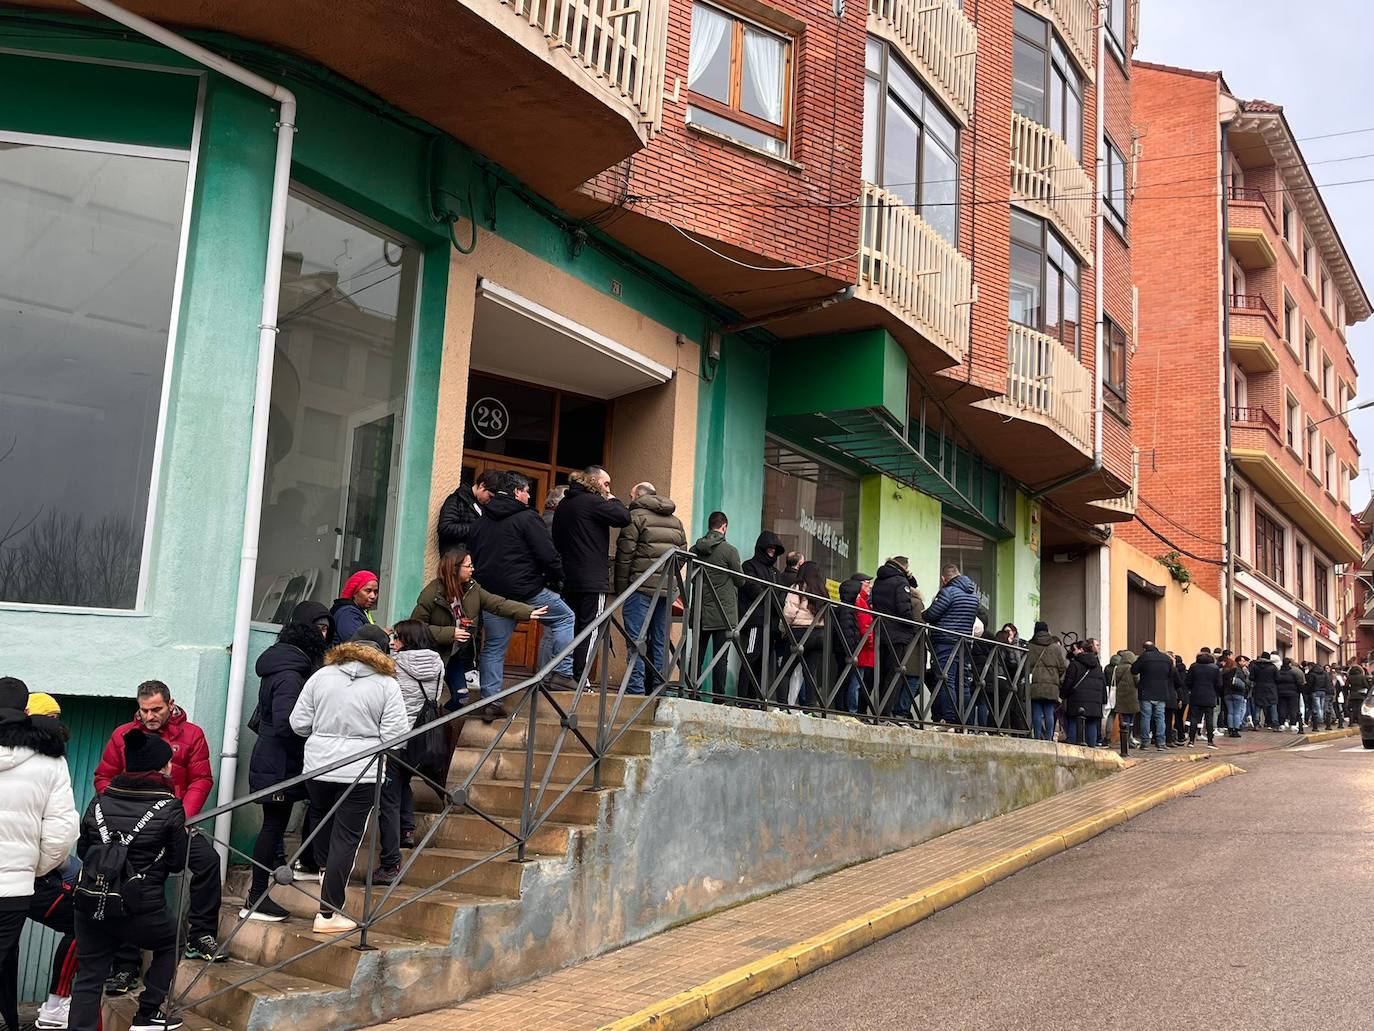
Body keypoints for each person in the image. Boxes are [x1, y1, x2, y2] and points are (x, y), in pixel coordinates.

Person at [93, 681, 222, 977]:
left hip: (174, 822)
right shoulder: (123, 735)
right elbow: (104, 777)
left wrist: (182, 817)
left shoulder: (192, 735)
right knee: (129, 881)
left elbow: (201, 779)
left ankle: (200, 935)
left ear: (171, 704)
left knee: (208, 862)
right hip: (134, 829)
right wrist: (119, 812)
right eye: (144, 710)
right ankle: (126, 965)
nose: (150, 716)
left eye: (157, 709)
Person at [290, 625, 409, 934]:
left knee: (320, 818)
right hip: (361, 771)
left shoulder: (321, 675)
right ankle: (328, 913)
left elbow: (298, 723)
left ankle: (324, 877)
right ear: (383, 651)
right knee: (346, 838)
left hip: (318, 767)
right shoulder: (386, 684)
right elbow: (395, 738)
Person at [70, 727, 187, 1031]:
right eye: (168, 762)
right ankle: (148, 1013)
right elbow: (176, 862)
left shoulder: (99, 802)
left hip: (92, 904)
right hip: (140, 909)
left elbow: (84, 851)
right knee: (176, 939)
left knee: (90, 975)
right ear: (161, 768)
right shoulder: (170, 808)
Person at [243, 601, 332, 920]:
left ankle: (306, 863)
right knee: (273, 825)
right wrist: (314, 740)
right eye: (319, 628)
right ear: (306, 631)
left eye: (327, 628)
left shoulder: (286, 663)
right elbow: (286, 723)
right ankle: (254, 899)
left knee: (303, 809)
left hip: (279, 759)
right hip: (280, 762)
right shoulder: (292, 673)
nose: (324, 634)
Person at [0, 678, 79, 1031]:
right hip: (14, 889)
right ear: (24, 711)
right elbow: (62, 833)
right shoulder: (50, 761)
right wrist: (30, 867)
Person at [469, 472, 576, 718]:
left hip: (493, 595)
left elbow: (472, 555)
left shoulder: (481, 521)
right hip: (528, 590)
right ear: (517, 492)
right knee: (564, 618)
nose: (529, 496)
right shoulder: (528, 518)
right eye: (527, 491)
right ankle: (561, 673)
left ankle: (491, 702)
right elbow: (547, 555)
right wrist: (560, 577)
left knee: (494, 647)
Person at [410, 549, 545, 718]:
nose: (472, 569)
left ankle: (440, 723)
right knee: (427, 701)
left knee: (462, 697)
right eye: (468, 566)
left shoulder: (473, 588)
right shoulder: (431, 594)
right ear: (454, 569)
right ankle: (430, 728)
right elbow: (415, 628)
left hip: (453, 656)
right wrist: (451, 633)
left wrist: (527, 612)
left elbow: (497, 603)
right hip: (431, 656)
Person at [376, 620, 446, 884]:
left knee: (388, 799)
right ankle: (407, 830)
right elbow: (435, 696)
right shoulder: (438, 663)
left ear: (407, 639)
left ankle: (390, 862)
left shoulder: (393, 664)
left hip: (396, 737)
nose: (393, 642)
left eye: (397, 638)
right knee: (404, 781)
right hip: (422, 736)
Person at [552, 466, 631, 681]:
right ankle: (581, 679)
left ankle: (562, 673)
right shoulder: (593, 501)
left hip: (568, 577)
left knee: (569, 626)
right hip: (592, 579)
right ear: (594, 481)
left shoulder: (564, 504)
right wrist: (612, 499)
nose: (608, 489)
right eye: (606, 484)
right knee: (590, 629)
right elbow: (624, 517)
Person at [614, 482, 687, 696]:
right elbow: (682, 555)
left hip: (640, 589)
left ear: (638, 495)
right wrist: (668, 576)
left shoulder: (635, 517)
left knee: (636, 641)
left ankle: (635, 690)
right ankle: (661, 689)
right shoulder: (676, 521)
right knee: (661, 642)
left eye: (631, 495)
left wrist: (622, 589)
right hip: (666, 591)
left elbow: (625, 555)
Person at [690, 512, 743, 700]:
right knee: (720, 658)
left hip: (700, 611)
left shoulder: (695, 549)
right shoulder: (729, 551)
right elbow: (740, 581)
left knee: (697, 654)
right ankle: (718, 698)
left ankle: (692, 693)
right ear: (724, 527)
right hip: (723, 613)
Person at [869, 557, 925, 720]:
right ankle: (886, 713)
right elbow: (903, 608)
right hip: (899, 633)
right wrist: (911, 624)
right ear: (905, 568)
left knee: (884, 672)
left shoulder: (880, 580)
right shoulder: (900, 581)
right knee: (895, 673)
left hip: (882, 631)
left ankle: (879, 711)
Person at [924, 564, 981, 723]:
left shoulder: (947, 592)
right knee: (962, 682)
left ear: (944, 579)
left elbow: (931, 615)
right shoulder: (973, 596)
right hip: (964, 644)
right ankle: (965, 722)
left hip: (945, 641)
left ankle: (949, 720)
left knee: (946, 679)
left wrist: (923, 613)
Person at [737, 531, 785, 705]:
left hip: (770, 624)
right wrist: (774, 600)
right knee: (751, 657)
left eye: (774, 549)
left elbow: (780, 595)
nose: (772, 551)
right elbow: (753, 590)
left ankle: (755, 699)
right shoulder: (749, 566)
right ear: (762, 547)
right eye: (769, 548)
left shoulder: (776, 573)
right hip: (755, 622)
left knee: (763, 662)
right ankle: (743, 698)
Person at [781, 562, 828, 710]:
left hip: (800, 633)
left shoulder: (798, 587)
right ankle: (810, 708)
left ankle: (781, 705)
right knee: (811, 672)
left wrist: (783, 629)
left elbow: (789, 612)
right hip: (819, 633)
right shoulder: (823, 590)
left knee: (785, 670)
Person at [436, 469, 499, 556]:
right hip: (456, 560)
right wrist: (476, 528)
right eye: (490, 496)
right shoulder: (457, 500)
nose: (490, 501)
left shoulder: (484, 507)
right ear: (482, 485)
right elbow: (445, 528)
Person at [836, 572, 874, 715]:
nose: (869, 586)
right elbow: (864, 625)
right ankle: (851, 711)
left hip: (857, 647)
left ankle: (850, 710)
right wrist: (867, 643)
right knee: (854, 682)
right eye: (866, 583)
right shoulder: (859, 603)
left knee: (853, 681)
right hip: (858, 648)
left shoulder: (861, 601)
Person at [1026, 622, 1068, 741]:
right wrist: (1055, 678)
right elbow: (1062, 667)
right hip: (1051, 686)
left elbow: (1025, 665)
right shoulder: (1055, 647)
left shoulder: (1030, 646)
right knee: (1049, 711)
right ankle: (1049, 738)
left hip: (1035, 683)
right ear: (1047, 630)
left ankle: (1037, 737)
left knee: (1037, 712)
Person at [1060, 639, 1107, 746]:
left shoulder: (1075, 664)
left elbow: (1068, 682)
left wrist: (1062, 695)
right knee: (1091, 725)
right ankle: (1091, 752)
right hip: (1095, 702)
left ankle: (1072, 753)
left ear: (1082, 650)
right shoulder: (1098, 666)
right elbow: (1103, 684)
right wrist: (1103, 699)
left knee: (1074, 724)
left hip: (1077, 701)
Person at [1131, 643, 1173, 751]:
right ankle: (1161, 743)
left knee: (1146, 717)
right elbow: (1171, 674)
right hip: (1161, 692)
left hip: (1146, 691)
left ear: (1145, 649)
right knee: (1160, 717)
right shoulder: (1166, 658)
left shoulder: (1144, 657)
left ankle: (1145, 743)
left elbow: (1134, 670)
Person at [331, 569, 381, 645]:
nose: (373, 596)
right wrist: (382, 636)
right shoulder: (347, 613)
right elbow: (357, 645)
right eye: (368, 591)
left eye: (376, 592)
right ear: (355, 592)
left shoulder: (360, 611)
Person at [1186, 648, 1221, 748]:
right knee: (1209, 719)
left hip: (1195, 695)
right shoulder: (1214, 668)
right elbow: (1219, 684)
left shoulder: (1194, 667)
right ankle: (1210, 741)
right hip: (1210, 696)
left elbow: (1188, 681)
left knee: (1194, 718)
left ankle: (1191, 741)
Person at [1112, 649, 1140, 753]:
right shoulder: (1133, 669)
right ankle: (1129, 739)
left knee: (1123, 719)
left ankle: (1124, 740)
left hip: (1120, 697)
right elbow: (1137, 681)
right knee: (1131, 720)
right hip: (1132, 697)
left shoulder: (1117, 668)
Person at [1250, 652, 1281, 731]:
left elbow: (1251, 677)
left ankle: (1256, 724)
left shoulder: (1255, 666)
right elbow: (1278, 678)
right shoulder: (1273, 667)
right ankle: (1275, 725)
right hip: (1271, 689)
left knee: (1258, 706)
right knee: (1273, 706)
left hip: (1259, 688)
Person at [1223, 655, 1250, 738]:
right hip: (1238, 693)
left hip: (1227, 694)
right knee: (1237, 712)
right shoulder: (1239, 671)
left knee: (1230, 712)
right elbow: (1245, 683)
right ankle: (1236, 729)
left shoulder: (1225, 672)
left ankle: (1230, 729)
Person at [1167, 653, 1188, 747]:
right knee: (1178, 718)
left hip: (1175, 697)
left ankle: (1174, 737)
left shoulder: (1172, 670)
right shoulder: (1184, 671)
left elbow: (1178, 684)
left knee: (1169, 718)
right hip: (1182, 697)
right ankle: (1180, 736)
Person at [1277, 657, 1303, 732]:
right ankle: (1293, 725)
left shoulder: (1278, 672)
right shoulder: (1293, 672)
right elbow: (1299, 683)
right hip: (1293, 693)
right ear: (1289, 664)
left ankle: (1282, 724)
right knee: (1293, 709)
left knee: (1282, 708)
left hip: (1281, 693)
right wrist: (1299, 691)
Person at [1306, 661, 1330, 730]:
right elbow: (1327, 682)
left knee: (1317, 707)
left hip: (1315, 691)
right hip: (1323, 691)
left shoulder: (1312, 674)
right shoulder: (1324, 673)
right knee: (1321, 707)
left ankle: (1318, 721)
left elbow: (1310, 684)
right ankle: (1320, 719)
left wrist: (1309, 690)